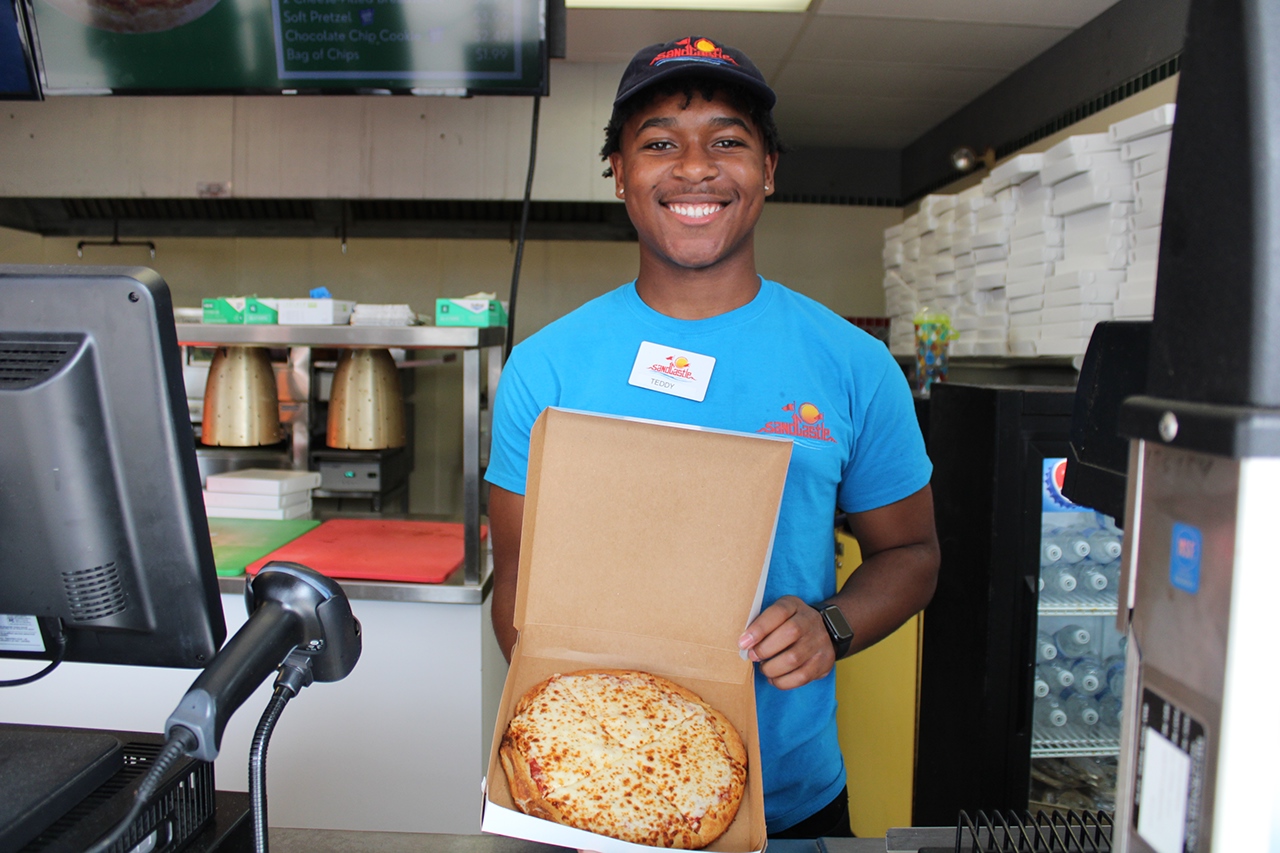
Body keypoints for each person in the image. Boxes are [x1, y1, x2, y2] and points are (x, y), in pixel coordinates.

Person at [484, 35, 940, 839]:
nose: (695, 168)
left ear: (768, 170)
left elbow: (912, 554)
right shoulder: (545, 367)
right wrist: (597, 751)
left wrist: (831, 625)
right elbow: (516, 581)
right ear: (619, 173)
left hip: (791, 797)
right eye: (659, 143)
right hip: (581, 795)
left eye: (727, 141)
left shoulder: (853, 365)